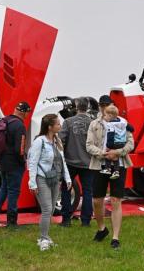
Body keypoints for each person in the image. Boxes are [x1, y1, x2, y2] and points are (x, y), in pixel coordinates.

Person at [87, 95, 134, 249]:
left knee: (116, 200)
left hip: (119, 164)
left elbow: (130, 142)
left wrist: (118, 152)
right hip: (99, 165)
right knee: (97, 200)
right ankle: (102, 228)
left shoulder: (122, 122)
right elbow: (89, 145)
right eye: (102, 105)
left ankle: (115, 237)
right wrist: (104, 153)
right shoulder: (94, 124)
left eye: (107, 104)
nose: (104, 107)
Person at [28, 114, 72, 251]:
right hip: (42, 178)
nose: (60, 125)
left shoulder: (57, 140)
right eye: (58, 124)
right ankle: (43, 238)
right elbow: (32, 162)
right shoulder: (39, 141)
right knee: (47, 209)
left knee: (51, 209)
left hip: (55, 179)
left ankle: (45, 237)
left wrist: (67, 178)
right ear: (50, 127)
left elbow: (62, 161)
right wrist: (32, 182)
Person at [0, 101, 32, 229]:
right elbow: (21, 148)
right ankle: (11, 222)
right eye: (27, 113)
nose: (27, 116)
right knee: (13, 191)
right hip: (14, 163)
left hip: (2, 160)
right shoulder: (19, 125)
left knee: (4, 188)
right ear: (23, 112)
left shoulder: (5, 120)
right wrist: (22, 162)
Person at [59, 97, 94, 227]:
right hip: (88, 163)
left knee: (66, 189)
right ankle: (86, 221)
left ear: (77, 106)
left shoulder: (68, 122)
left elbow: (61, 141)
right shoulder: (93, 123)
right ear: (88, 107)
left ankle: (66, 219)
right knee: (88, 191)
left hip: (70, 162)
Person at [100, 105, 130, 180]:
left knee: (108, 155)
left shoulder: (110, 124)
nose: (104, 117)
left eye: (105, 115)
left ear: (110, 115)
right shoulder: (123, 122)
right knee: (116, 157)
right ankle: (116, 171)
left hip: (114, 143)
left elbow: (110, 136)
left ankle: (108, 169)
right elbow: (131, 128)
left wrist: (108, 146)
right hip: (122, 143)